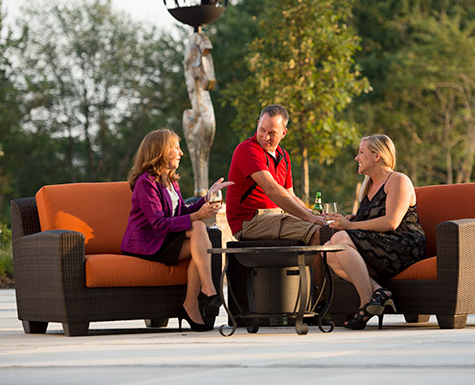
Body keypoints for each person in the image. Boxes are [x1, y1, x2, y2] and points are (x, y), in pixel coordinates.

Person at [121, 129, 233, 332]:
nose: (181, 153)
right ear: (161, 151)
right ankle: (206, 291)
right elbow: (159, 224)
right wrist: (197, 216)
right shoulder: (146, 183)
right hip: (148, 243)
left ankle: (193, 302)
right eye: (176, 147)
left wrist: (207, 197)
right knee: (197, 225)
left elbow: (181, 212)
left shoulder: (171, 181)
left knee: (196, 240)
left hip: (164, 239)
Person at [324, 134, 426, 330]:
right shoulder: (367, 186)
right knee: (329, 250)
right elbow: (370, 222)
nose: (357, 158)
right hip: (380, 245)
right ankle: (379, 293)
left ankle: (365, 303)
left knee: (339, 239)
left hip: (403, 246)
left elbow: (392, 222)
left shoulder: (398, 180)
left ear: (377, 156)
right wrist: (354, 219)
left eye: (361, 152)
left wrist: (350, 227)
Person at [226, 104, 325, 245]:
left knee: (326, 228)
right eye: (262, 130)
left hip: (275, 217)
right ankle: (313, 268)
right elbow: (271, 188)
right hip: (249, 222)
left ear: (284, 133)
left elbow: (291, 195)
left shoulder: (283, 156)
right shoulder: (247, 149)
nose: (265, 137)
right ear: (258, 124)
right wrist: (309, 218)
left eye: (272, 133)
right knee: (317, 232)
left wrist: (312, 214)